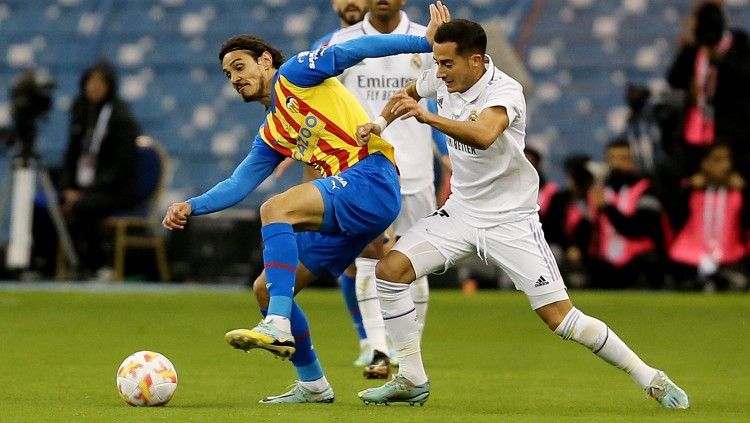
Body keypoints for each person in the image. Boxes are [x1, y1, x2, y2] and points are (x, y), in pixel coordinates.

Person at [355, 19, 689, 409]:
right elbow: (407, 92)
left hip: (511, 221)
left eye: (448, 64)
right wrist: (378, 123)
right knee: (390, 272)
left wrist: (427, 117)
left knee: (561, 319)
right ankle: (412, 379)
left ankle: (649, 377)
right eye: (438, 63)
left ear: (476, 61)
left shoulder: (504, 91)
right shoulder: (443, 79)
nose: (439, 73)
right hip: (460, 214)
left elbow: (483, 135)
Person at [162, 1, 451, 404]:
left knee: (275, 209)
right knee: (266, 288)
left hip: (372, 175)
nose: (234, 78)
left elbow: (356, 50)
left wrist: (421, 40)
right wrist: (191, 206)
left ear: (265, 60)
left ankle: (278, 323)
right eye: (228, 74)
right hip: (352, 201)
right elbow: (238, 183)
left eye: (240, 67)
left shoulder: (296, 74)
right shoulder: (272, 131)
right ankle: (314, 384)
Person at [328, 0, 448, 379]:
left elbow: (445, 98)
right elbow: (326, 104)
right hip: (363, 173)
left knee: (415, 264)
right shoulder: (342, 42)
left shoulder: (427, 40)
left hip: (416, 174)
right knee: (366, 257)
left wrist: (449, 156)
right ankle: (379, 349)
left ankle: (407, 353)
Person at [57, 59, 140, 278]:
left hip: (116, 189)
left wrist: (85, 192)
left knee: (84, 206)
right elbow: (71, 155)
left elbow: (122, 166)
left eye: (99, 82)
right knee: (50, 200)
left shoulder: (122, 118)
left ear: (110, 85)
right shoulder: (81, 112)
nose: (93, 86)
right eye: (90, 81)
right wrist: (66, 189)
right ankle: (44, 262)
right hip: (84, 185)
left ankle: (95, 264)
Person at [666, 1, 750, 177]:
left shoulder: (739, 43)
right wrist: (687, 49)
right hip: (696, 129)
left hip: (730, 130)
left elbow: (744, 77)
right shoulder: (694, 49)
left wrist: (720, 62)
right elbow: (674, 79)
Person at [666, 142, 749, 291]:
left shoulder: (740, 191)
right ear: (705, 164)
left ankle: (715, 280)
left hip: (730, 256)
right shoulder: (690, 188)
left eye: (727, 160)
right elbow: (673, 219)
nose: (725, 166)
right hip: (690, 256)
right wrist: (688, 189)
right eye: (718, 160)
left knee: (739, 277)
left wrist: (746, 191)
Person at [588, 139, 667, 290]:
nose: (617, 164)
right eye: (612, 159)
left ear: (633, 161)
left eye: (623, 158)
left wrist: (608, 208)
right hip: (606, 263)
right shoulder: (599, 191)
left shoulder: (647, 189)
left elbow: (639, 228)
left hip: (639, 263)